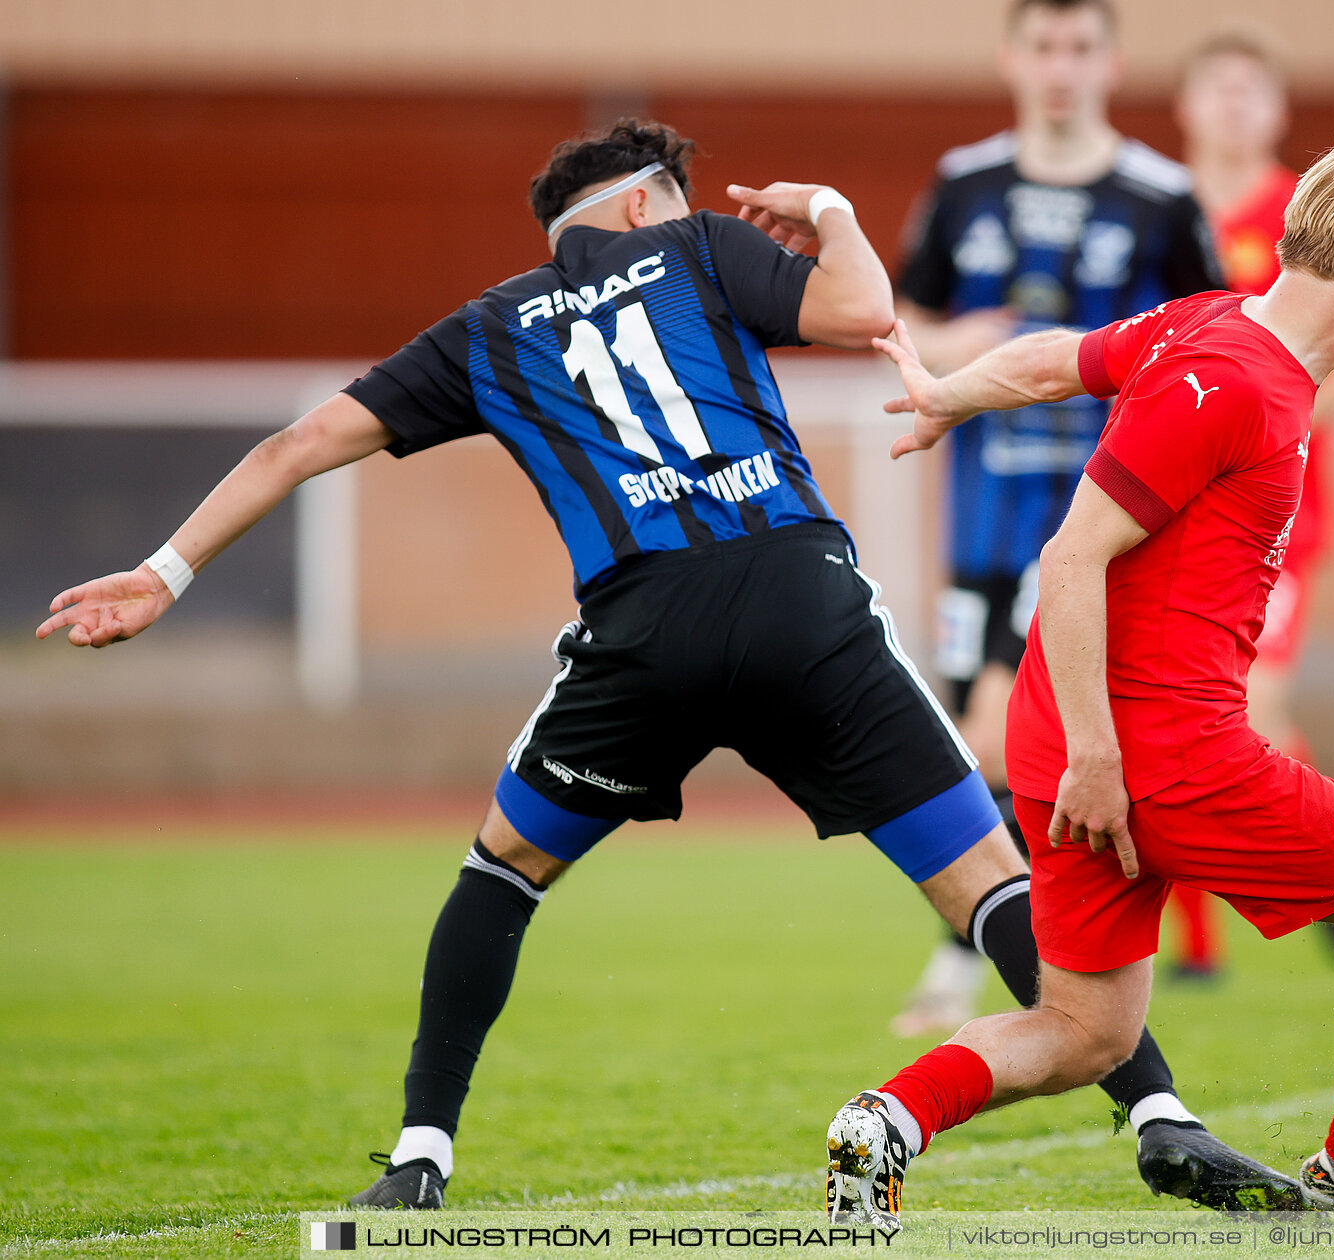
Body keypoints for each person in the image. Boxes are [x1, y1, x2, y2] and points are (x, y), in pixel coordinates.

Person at [37, 120, 1249, 1211]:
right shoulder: (703, 248)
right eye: (679, 197)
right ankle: (1159, 1114)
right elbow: (868, 310)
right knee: (989, 877)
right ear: (641, 203)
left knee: (500, 873)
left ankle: (419, 1158)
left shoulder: (486, 326)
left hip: (643, 633)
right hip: (796, 601)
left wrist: (166, 572)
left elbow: (303, 441)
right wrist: (827, 207)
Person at [826, 138, 1334, 1225]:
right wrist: (1103, 759)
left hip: (1079, 742)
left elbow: (1058, 360)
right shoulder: (1234, 382)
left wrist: (950, 393)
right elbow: (1071, 556)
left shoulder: (1209, 322)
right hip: (1163, 758)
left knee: (1086, 1030)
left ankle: (889, 1119)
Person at [888, 0, 1222, 1038]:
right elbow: (903, 319)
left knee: (1017, 733)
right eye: (1044, 46)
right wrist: (956, 337)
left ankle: (988, 964)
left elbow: (1219, 343)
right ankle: (1048, 960)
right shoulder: (966, 182)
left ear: (1112, 62)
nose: (1062, 67)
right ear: (1012, 58)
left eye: (1081, 47)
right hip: (985, 518)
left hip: (1106, 521)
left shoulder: (1162, 197)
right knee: (983, 740)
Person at [1168, 27, 1334, 979]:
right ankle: (1198, 949)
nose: (1236, 106)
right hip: (1167, 500)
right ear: (1187, 107)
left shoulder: (1311, 218)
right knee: (1171, 700)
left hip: (1276, 508)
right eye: (1220, 90)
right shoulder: (1159, 211)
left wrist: (1276, 427)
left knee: (1247, 701)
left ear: (1279, 111)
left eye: (1255, 90)